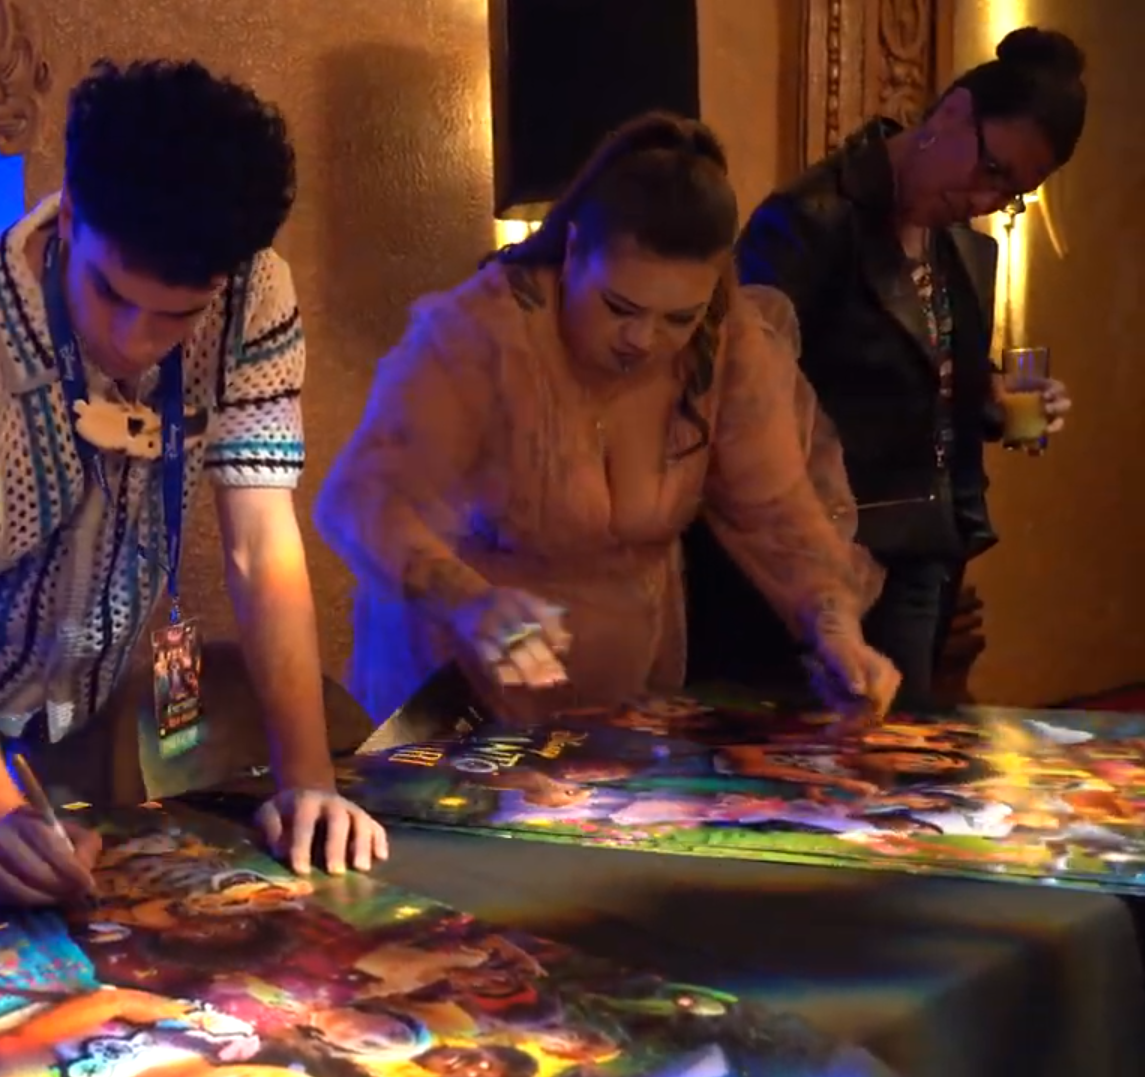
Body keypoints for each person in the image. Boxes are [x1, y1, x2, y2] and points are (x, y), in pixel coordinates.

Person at [0, 59, 387, 907]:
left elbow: (259, 542)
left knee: (109, 914)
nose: (140, 341)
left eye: (179, 313)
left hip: (97, 682)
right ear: (69, 214)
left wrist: (309, 780)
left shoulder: (252, 290)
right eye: (109, 293)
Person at [314, 113, 899, 732]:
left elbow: (777, 510)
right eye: (620, 307)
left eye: (679, 318)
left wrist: (836, 627)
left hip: (625, 701)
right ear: (572, 253)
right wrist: (469, 600)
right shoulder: (480, 335)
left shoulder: (724, 342)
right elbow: (362, 501)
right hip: (457, 694)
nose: (644, 340)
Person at [684, 27, 1087, 710]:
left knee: (909, 773)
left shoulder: (957, 241)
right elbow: (749, 396)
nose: (988, 201)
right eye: (993, 172)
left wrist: (994, 395)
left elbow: (927, 371)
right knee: (839, 775)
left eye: (1012, 193)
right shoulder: (808, 222)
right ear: (953, 112)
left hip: (927, 546)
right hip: (837, 551)